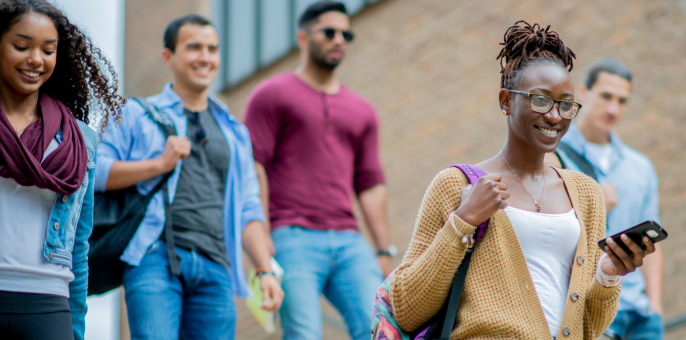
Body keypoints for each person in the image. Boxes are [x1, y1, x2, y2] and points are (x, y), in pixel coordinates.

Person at [389, 21, 656, 340]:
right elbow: (407, 308)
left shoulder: (586, 194)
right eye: (540, 100)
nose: (555, 116)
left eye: (566, 104)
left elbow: (589, 328)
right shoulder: (457, 184)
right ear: (505, 101)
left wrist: (608, 276)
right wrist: (463, 221)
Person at [96, 14, 282, 340]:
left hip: (217, 266)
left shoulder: (234, 131)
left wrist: (265, 269)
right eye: (194, 47)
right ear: (168, 56)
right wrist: (158, 164)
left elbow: (249, 207)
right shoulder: (135, 113)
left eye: (212, 49)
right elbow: (93, 172)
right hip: (155, 258)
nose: (205, 57)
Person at [243, 2, 391, 339]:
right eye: (329, 32)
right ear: (303, 37)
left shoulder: (362, 110)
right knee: (304, 334)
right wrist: (262, 234)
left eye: (346, 34)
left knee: (380, 330)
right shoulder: (271, 94)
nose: (339, 39)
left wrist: (383, 251)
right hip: (290, 236)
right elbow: (254, 166)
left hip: (350, 241)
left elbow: (370, 184)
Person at [0, 0, 124, 339]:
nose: (36, 59)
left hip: (48, 303)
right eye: (21, 46)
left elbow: (79, 246)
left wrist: (76, 327)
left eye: (48, 50)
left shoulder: (79, 139)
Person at [544, 58, 665, 340]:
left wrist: (656, 308)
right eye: (606, 97)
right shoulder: (553, 154)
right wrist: (596, 204)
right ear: (584, 93)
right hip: (589, 307)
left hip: (640, 314)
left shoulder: (640, 167)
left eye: (622, 101)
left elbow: (654, 246)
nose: (613, 109)